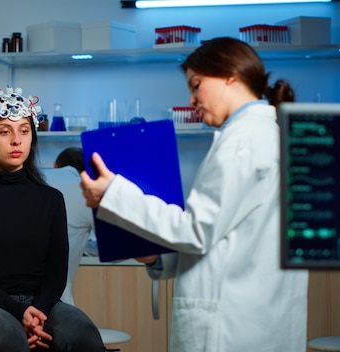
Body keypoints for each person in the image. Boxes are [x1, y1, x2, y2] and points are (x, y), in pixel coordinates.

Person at [79, 37, 308, 352]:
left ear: (230, 75)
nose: (191, 98)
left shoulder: (243, 142)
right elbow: (228, 237)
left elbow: (197, 230)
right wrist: (159, 257)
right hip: (257, 320)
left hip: (230, 329)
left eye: (196, 85)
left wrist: (115, 193)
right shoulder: (269, 135)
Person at [0, 87, 104, 352]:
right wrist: (18, 312)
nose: (17, 140)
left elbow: (56, 273)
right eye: (5, 131)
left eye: (24, 131)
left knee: (83, 336)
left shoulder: (51, 199)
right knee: (9, 341)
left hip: (43, 305)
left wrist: (36, 312)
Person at [43, 147, 97, 306]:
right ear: (88, 175)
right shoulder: (88, 192)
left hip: (7, 300)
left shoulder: (30, 179)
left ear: (54, 165)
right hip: (56, 303)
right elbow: (112, 245)